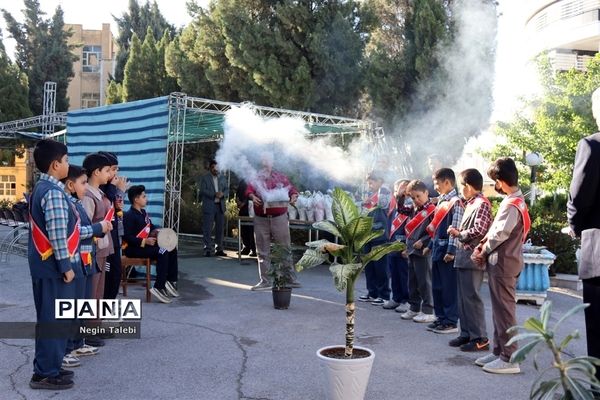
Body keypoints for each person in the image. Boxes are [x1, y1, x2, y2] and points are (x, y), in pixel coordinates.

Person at [472, 157, 530, 374]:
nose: (494, 186)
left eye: (494, 181)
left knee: (504, 312)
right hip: (507, 262)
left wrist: (482, 251)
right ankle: (499, 352)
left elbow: (499, 234)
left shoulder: (512, 203)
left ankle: (509, 357)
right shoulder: (517, 201)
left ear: (500, 180)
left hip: (503, 263)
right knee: (500, 310)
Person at [27, 139, 76, 389]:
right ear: (56, 164)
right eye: (66, 160)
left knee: (51, 318)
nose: (69, 164)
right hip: (53, 268)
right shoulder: (54, 193)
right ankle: (46, 372)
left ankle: (48, 366)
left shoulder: (42, 188)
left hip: (44, 267)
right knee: (53, 320)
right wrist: (66, 266)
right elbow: (57, 235)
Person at [61, 165, 111, 367]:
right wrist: (98, 228)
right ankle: (64, 350)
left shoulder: (77, 203)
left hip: (85, 258)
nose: (85, 187)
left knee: (82, 303)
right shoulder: (69, 204)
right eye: (83, 183)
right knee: (69, 308)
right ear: (70, 185)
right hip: (74, 259)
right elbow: (75, 231)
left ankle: (77, 343)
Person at [567, 87, 600, 383]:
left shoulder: (593, 144)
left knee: (599, 325)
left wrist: (574, 225)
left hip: (599, 247)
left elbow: (580, 195)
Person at [447, 169, 492, 352]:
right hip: (464, 256)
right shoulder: (471, 203)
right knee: (463, 298)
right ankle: (466, 333)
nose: (461, 189)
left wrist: (459, 233)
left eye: (462, 185)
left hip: (473, 256)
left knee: (472, 297)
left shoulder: (481, 203)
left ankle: (480, 337)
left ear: (470, 186)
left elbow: (479, 230)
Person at [246, 153, 300, 291]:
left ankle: (289, 279)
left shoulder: (280, 177)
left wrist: (294, 195)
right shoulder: (255, 177)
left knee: (284, 248)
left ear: (272, 162)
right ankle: (265, 281)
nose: (266, 163)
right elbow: (249, 191)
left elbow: (292, 189)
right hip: (261, 218)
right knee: (262, 251)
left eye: (268, 159)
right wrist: (252, 196)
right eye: (263, 159)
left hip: (279, 218)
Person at [123, 185, 179, 303]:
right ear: (136, 199)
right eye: (144, 196)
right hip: (134, 249)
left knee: (171, 248)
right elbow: (127, 237)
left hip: (146, 246)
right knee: (162, 251)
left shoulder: (143, 213)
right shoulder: (129, 215)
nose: (146, 198)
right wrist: (145, 241)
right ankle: (159, 286)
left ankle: (170, 280)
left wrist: (159, 232)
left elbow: (150, 227)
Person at [425, 168, 464, 334]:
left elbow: (456, 226)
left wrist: (451, 250)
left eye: (437, 183)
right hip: (437, 249)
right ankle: (440, 317)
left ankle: (450, 320)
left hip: (447, 252)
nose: (436, 187)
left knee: (449, 288)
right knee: (438, 287)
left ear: (447, 182)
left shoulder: (455, 202)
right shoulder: (441, 201)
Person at [400, 180, 437, 323]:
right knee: (413, 280)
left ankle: (428, 310)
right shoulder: (413, 208)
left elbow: (435, 230)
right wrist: (401, 196)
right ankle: (414, 307)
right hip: (411, 249)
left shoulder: (432, 209)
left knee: (425, 281)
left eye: (418, 196)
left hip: (423, 250)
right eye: (413, 197)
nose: (416, 200)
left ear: (426, 193)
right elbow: (400, 209)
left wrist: (424, 240)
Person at [357, 172, 392, 305]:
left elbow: (383, 205)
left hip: (380, 235)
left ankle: (384, 295)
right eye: (368, 182)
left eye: (372, 182)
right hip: (368, 234)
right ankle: (372, 292)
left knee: (381, 266)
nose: (369, 185)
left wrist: (370, 200)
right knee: (369, 266)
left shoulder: (385, 192)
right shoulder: (371, 195)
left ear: (380, 181)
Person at [98, 151, 128, 300]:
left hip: (115, 238)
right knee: (108, 278)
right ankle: (103, 312)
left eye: (116, 169)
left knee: (115, 275)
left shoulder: (110, 186)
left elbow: (116, 209)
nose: (115, 173)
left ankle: (108, 309)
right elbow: (105, 208)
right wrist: (120, 191)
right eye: (112, 169)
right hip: (105, 241)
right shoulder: (102, 188)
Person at [383, 179, 412, 313]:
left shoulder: (411, 204)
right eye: (399, 188)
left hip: (404, 243)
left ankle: (407, 300)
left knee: (404, 273)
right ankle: (396, 297)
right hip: (393, 243)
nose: (402, 191)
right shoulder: (393, 206)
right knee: (393, 272)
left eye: (405, 188)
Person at [200, 159, 228, 257]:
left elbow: (227, 190)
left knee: (220, 229)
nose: (216, 170)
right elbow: (203, 190)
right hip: (209, 206)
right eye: (214, 168)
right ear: (211, 168)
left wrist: (222, 194)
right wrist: (214, 194)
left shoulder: (222, 178)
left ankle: (219, 249)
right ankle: (207, 249)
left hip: (220, 206)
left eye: (217, 168)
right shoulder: (205, 178)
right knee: (207, 229)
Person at [236, 179, 256, 257]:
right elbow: (237, 193)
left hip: (250, 208)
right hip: (242, 209)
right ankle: (246, 247)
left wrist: (244, 203)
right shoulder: (242, 181)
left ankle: (253, 249)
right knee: (243, 229)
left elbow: (251, 194)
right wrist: (237, 201)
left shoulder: (253, 179)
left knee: (251, 229)